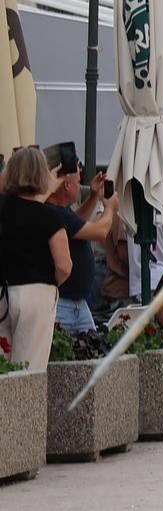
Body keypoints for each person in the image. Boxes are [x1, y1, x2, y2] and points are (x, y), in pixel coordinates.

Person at [0, 147, 71, 369]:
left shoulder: (3, 209)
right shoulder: (49, 217)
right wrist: (51, 283)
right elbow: (64, 265)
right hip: (37, 292)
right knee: (29, 369)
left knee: (3, 366)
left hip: (3, 290)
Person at [42, 142, 119, 332]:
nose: (80, 186)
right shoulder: (54, 212)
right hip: (62, 303)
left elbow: (77, 224)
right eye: (78, 181)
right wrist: (110, 209)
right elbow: (99, 232)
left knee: (92, 348)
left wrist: (94, 197)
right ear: (67, 185)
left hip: (78, 304)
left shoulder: (62, 212)